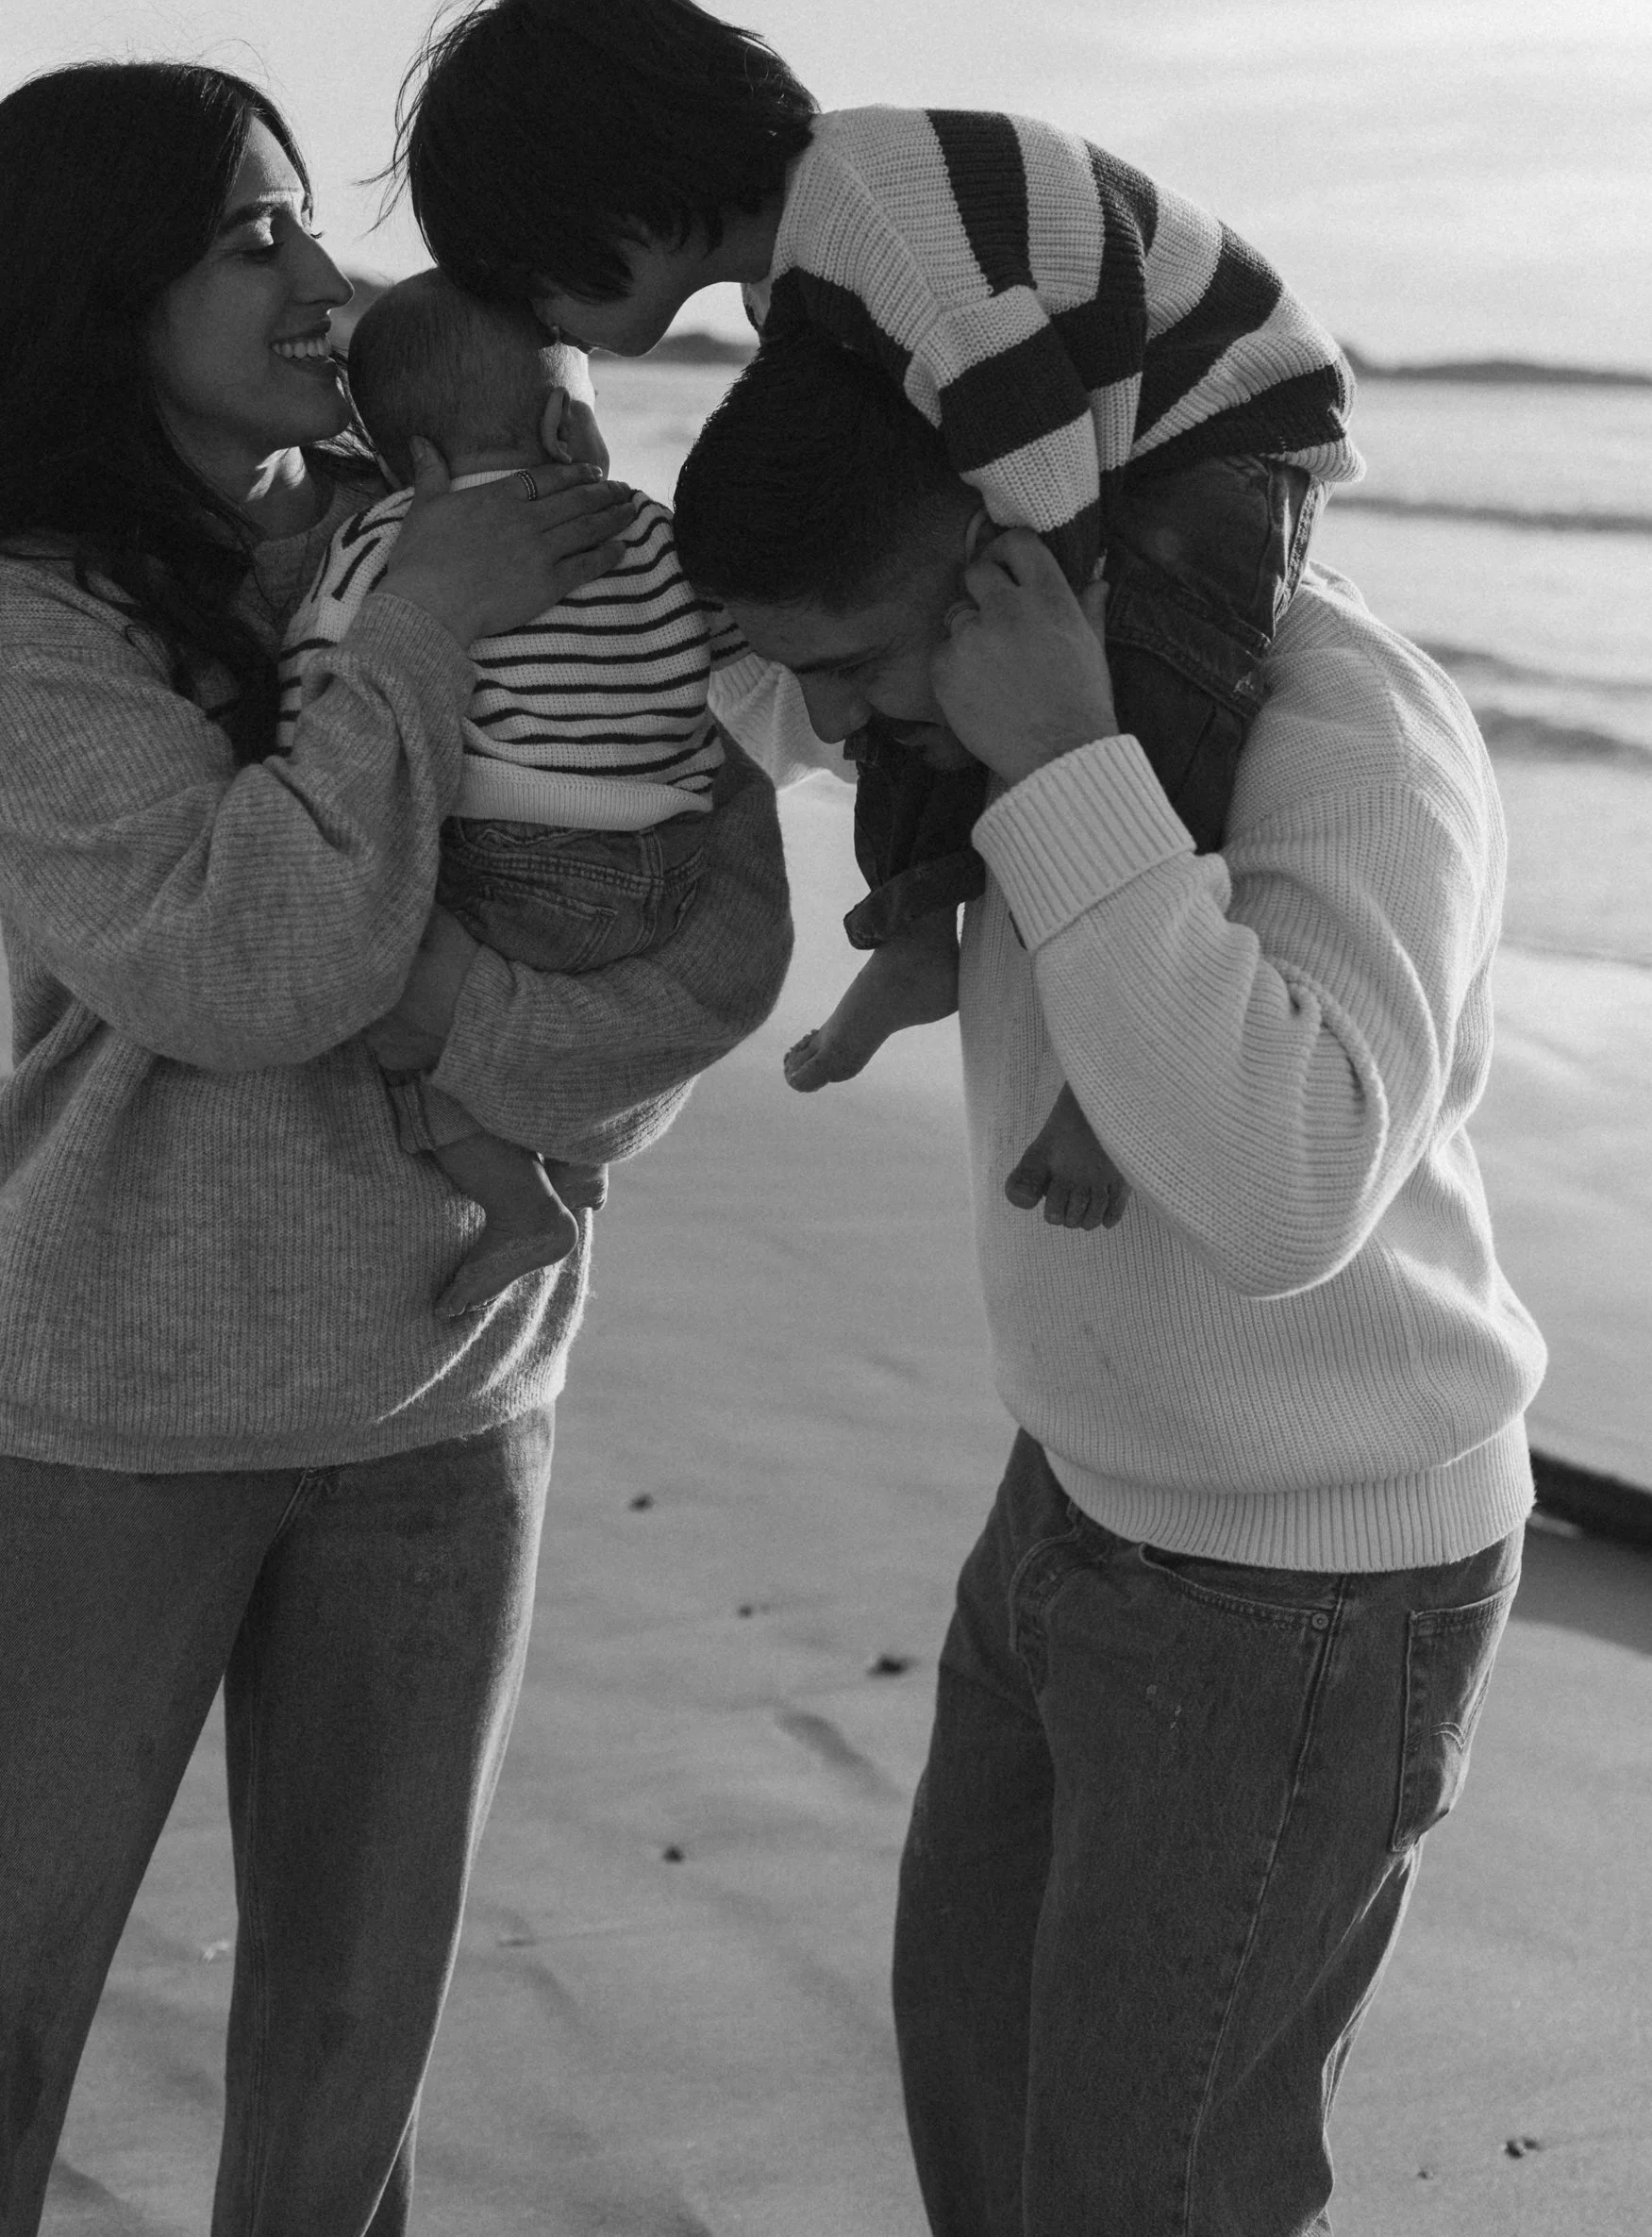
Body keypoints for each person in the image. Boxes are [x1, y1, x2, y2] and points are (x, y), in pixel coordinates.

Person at [0, 61, 792, 2237]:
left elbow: (692, 909)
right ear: (102, 293)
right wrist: (415, 633)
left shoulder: (467, 537)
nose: (320, 272)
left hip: (455, 1390)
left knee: (339, 2101)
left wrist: (512, 1067)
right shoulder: (20, 614)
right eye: (247, 236)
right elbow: (247, 966)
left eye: (305, 222)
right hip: (123, 1395)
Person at [674, 327, 1544, 2237]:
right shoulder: (991, 685)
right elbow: (768, 684)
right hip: (1074, 1505)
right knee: (988, 2124)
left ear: (1020, 555)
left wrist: (1066, 764)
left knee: (1144, 2197)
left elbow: (1288, 1175)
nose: (835, 719)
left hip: (1303, 1584)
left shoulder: (1342, 728)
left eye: (863, 659)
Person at [399, 0, 1360, 1227]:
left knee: (1154, 710)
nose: (552, 329)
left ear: (618, 204)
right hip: (1088, 436)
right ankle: (918, 928)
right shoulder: (793, 272)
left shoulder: (873, 210)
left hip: (1214, 424)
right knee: (896, 681)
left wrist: (1057, 651)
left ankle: (1109, 1077)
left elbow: (1020, 431)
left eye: (540, 286)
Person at [281, 270, 745, 1321]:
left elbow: (322, 673)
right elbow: (736, 652)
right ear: (569, 424)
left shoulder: (387, 537)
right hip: (663, 870)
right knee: (545, 1015)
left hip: (514, 857)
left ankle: (519, 1202)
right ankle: (574, 1160)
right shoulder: (651, 525)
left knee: (395, 1016)